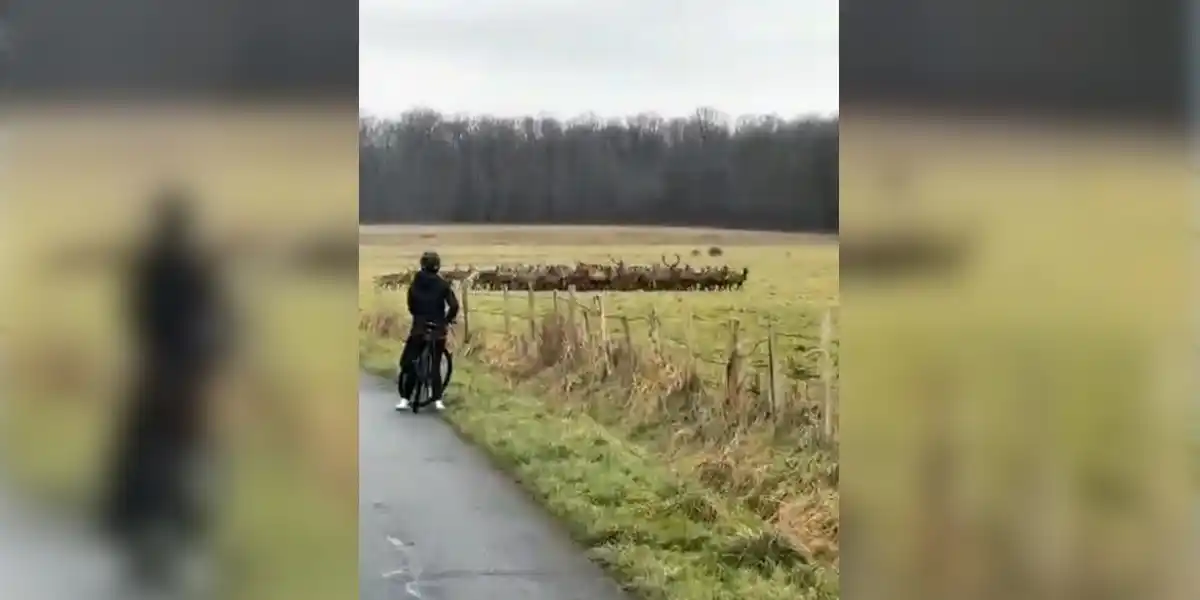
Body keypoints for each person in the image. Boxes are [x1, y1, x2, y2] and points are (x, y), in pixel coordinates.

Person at [396, 250, 458, 411]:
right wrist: (446, 320)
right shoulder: (443, 284)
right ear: (437, 267)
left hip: (419, 327)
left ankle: (405, 398)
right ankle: (437, 400)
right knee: (435, 364)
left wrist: (417, 315)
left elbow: (410, 303)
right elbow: (454, 305)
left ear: (422, 265)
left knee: (409, 362)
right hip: (437, 328)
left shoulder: (416, 283)